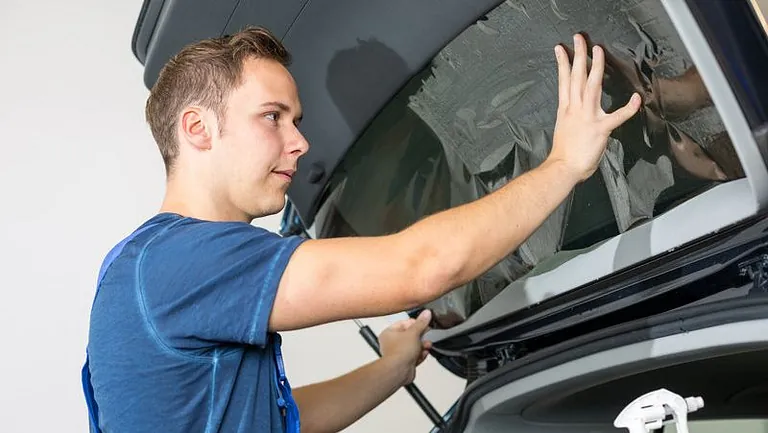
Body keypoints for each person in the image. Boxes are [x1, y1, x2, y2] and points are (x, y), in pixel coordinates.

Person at [83, 26, 640, 433]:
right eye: (272, 116)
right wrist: (564, 163)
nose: (299, 142)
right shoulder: (183, 261)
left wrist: (392, 367)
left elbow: (284, 422)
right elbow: (421, 268)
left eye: (296, 121)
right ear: (198, 129)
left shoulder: (142, 267)